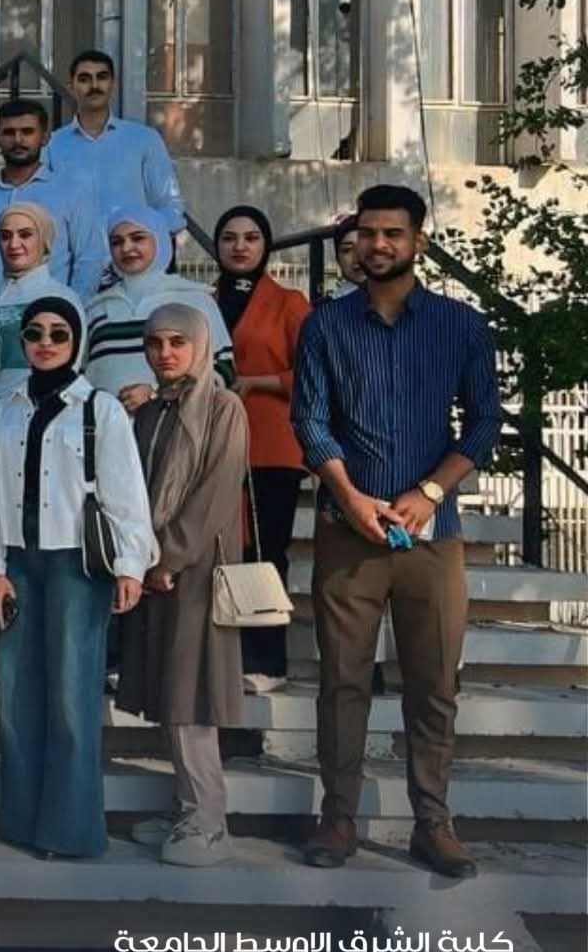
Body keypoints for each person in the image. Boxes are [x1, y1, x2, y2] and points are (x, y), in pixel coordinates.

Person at [292, 185, 502, 879]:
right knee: (342, 682)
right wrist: (351, 497)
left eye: (393, 233)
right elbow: (309, 419)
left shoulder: (460, 325)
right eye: (368, 233)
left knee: (434, 683)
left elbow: (484, 420)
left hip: (431, 535)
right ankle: (338, 817)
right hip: (348, 529)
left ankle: (433, 822)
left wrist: (429, 491)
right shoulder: (326, 325)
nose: (378, 244)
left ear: (419, 240)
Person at [0, 298, 155, 859]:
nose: (46, 342)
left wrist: (130, 565)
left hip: (76, 563)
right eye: (35, 333)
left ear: (76, 341)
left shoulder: (100, 408)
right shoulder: (3, 411)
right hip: (18, 560)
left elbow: (125, 491)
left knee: (71, 695)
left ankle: (69, 828)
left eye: (59, 333)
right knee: (16, 693)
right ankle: (22, 819)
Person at [118, 304, 249, 867]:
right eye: (155, 343)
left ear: (200, 345)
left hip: (196, 568)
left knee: (192, 694)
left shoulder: (222, 407)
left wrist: (168, 556)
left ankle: (209, 820)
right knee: (170, 689)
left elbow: (216, 492)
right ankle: (186, 808)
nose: (165, 353)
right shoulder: (153, 411)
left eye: (177, 342)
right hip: (156, 568)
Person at [213, 203, 312, 694]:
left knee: (266, 550)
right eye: (230, 238)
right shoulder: (204, 300)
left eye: (251, 238)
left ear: (266, 246)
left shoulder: (289, 302)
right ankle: (221, 657)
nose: (240, 247)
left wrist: (259, 382)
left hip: (271, 444)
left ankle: (268, 661)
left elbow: (313, 372)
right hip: (214, 444)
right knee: (220, 551)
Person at [0, 100, 107, 298]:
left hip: (48, 308)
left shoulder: (71, 193)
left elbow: (89, 260)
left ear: (45, 137)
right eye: (9, 133)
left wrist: (70, 307)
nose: (18, 140)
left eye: (27, 132)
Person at [83, 207, 234, 408]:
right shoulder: (96, 308)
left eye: (138, 238)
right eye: (116, 242)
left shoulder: (195, 300)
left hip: (175, 422)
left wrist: (159, 394)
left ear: (159, 239)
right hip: (106, 425)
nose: (126, 248)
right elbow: (80, 374)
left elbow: (224, 367)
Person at [43, 51, 186, 236]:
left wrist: (141, 239)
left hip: (132, 251)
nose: (94, 86)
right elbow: (42, 208)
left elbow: (170, 207)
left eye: (102, 77)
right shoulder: (53, 145)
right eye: (85, 79)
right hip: (73, 252)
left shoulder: (144, 139)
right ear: (71, 87)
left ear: (113, 83)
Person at [0, 202, 82, 404]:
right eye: (5, 236)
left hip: (44, 406)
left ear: (44, 240)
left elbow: (72, 365)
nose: (14, 244)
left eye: (25, 235)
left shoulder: (62, 299)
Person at [331, 214, 363, 297]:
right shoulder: (329, 304)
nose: (357, 258)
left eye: (364, 247)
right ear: (338, 259)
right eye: (347, 250)